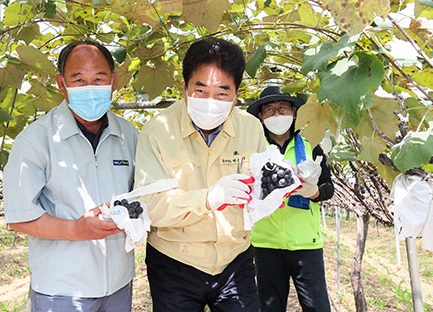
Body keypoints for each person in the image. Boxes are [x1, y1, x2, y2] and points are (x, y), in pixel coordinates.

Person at [3, 40, 138, 312]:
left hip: (119, 285)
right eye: (78, 80)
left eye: (98, 78)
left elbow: (141, 196)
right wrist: (76, 229)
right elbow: (19, 216)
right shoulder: (36, 139)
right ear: (61, 84)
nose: (90, 88)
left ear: (113, 81)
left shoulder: (130, 136)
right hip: (61, 289)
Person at [134, 38, 266, 312]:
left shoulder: (251, 128)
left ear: (236, 95)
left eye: (222, 93)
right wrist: (207, 198)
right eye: (201, 90)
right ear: (184, 88)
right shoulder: (158, 131)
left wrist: (282, 190)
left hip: (235, 259)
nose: (210, 102)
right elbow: (151, 206)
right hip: (175, 262)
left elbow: (262, 189)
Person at [247, 86, 335, 312]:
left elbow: (328, 187)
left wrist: (312, 192)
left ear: (294, 112)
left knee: (318, 308)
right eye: (270, 110)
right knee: (269, 308)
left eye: (283, 108)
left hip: (306, 243)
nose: (277, 115)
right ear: (261, 116)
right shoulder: (254, 149)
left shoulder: (311, 144)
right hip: (265, 243)